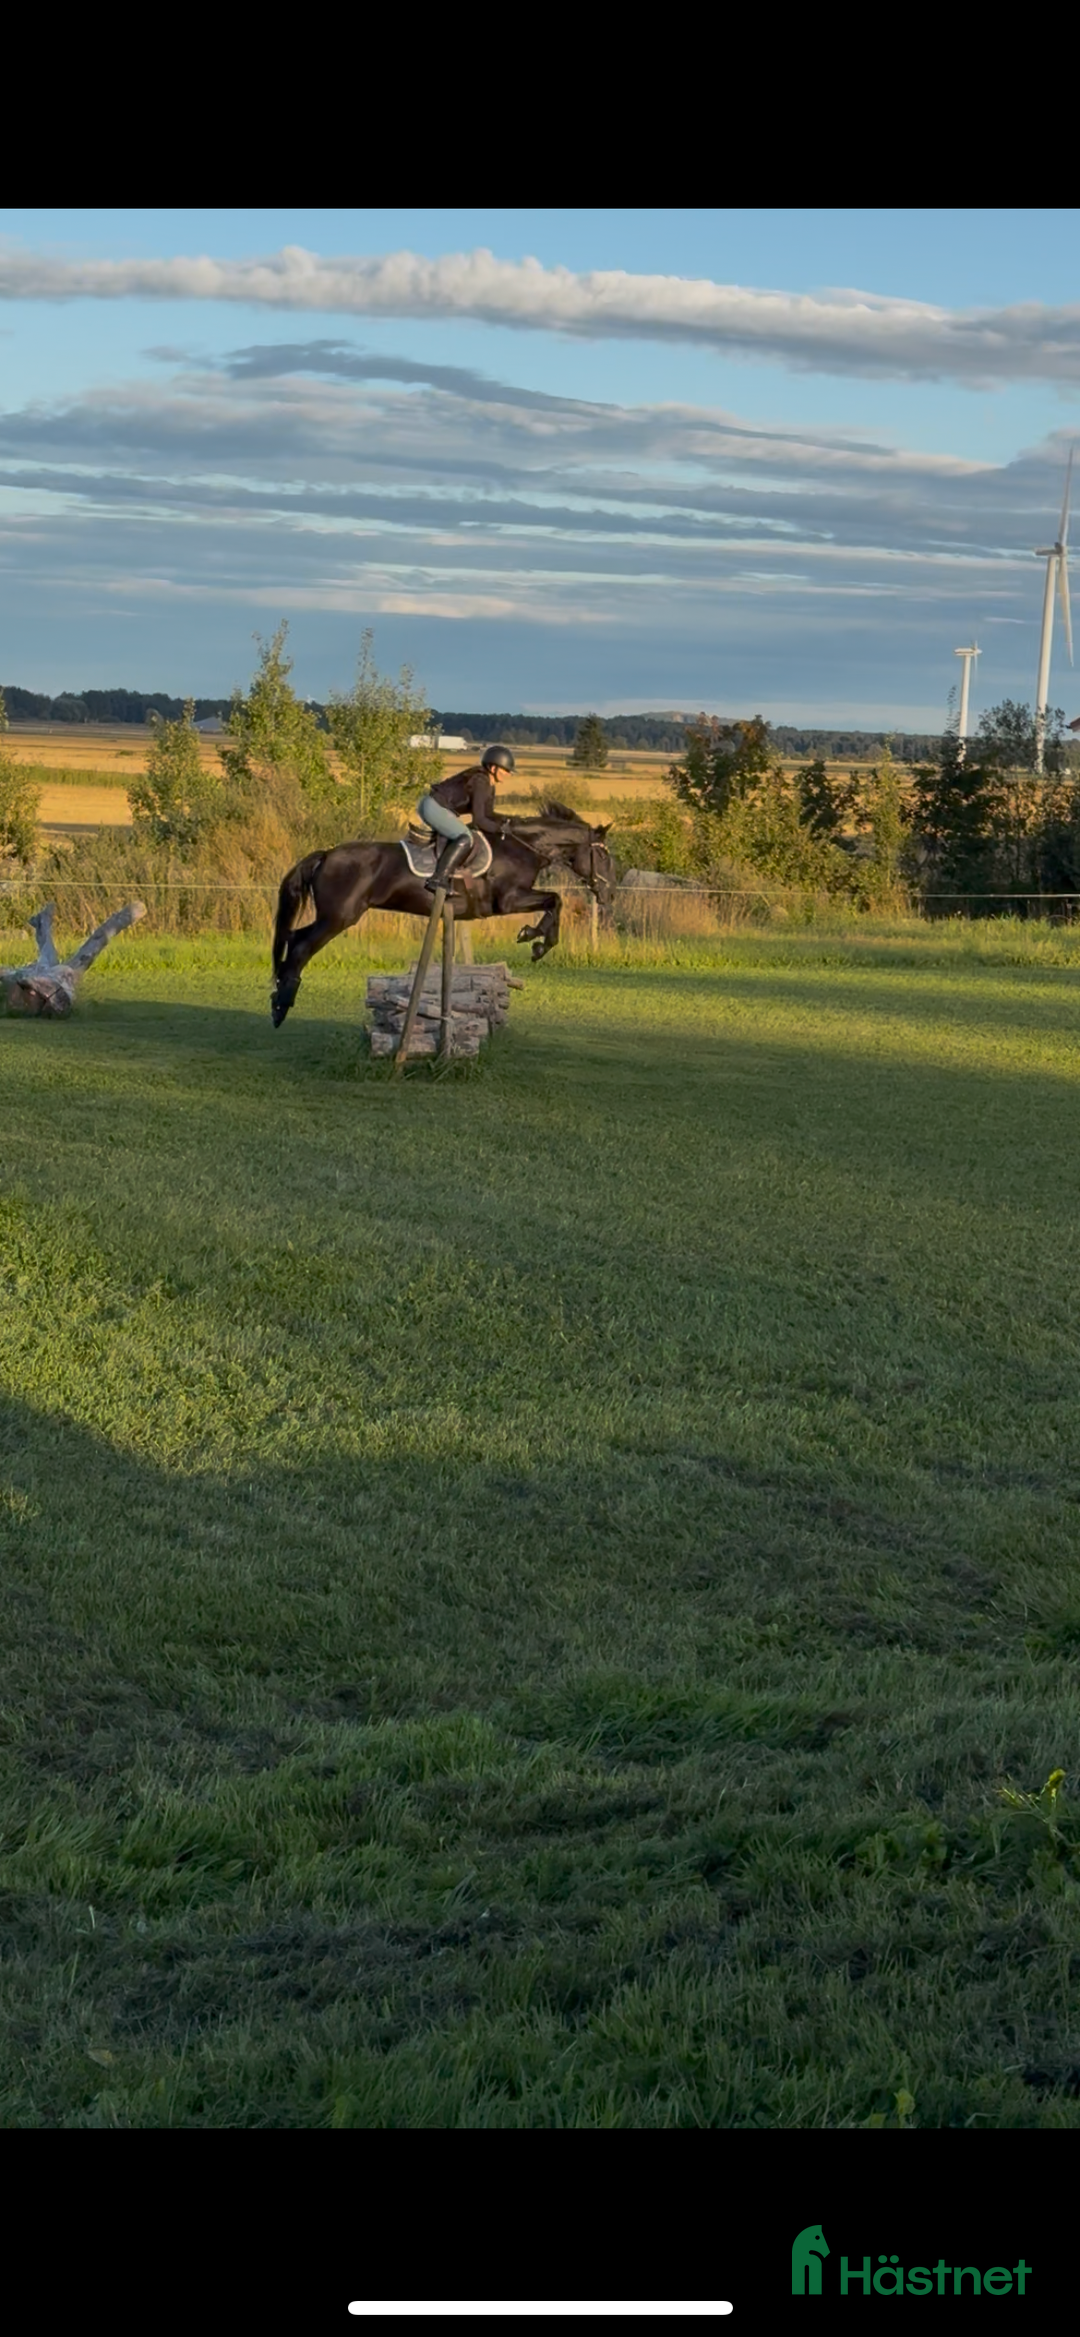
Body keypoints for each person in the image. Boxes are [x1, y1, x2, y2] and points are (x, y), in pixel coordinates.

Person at [417, 745, 516, 894]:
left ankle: (460, 881)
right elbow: (480, 820)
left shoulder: (489, 785)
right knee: (465, 837)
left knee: (468, 835)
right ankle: (437, 879)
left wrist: (509, 821)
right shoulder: (480, 781)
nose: (508, 774)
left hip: (441, 809)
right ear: (493, 768)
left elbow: (488, 814)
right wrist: (499, 829)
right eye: (505, 770)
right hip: (433, 807)